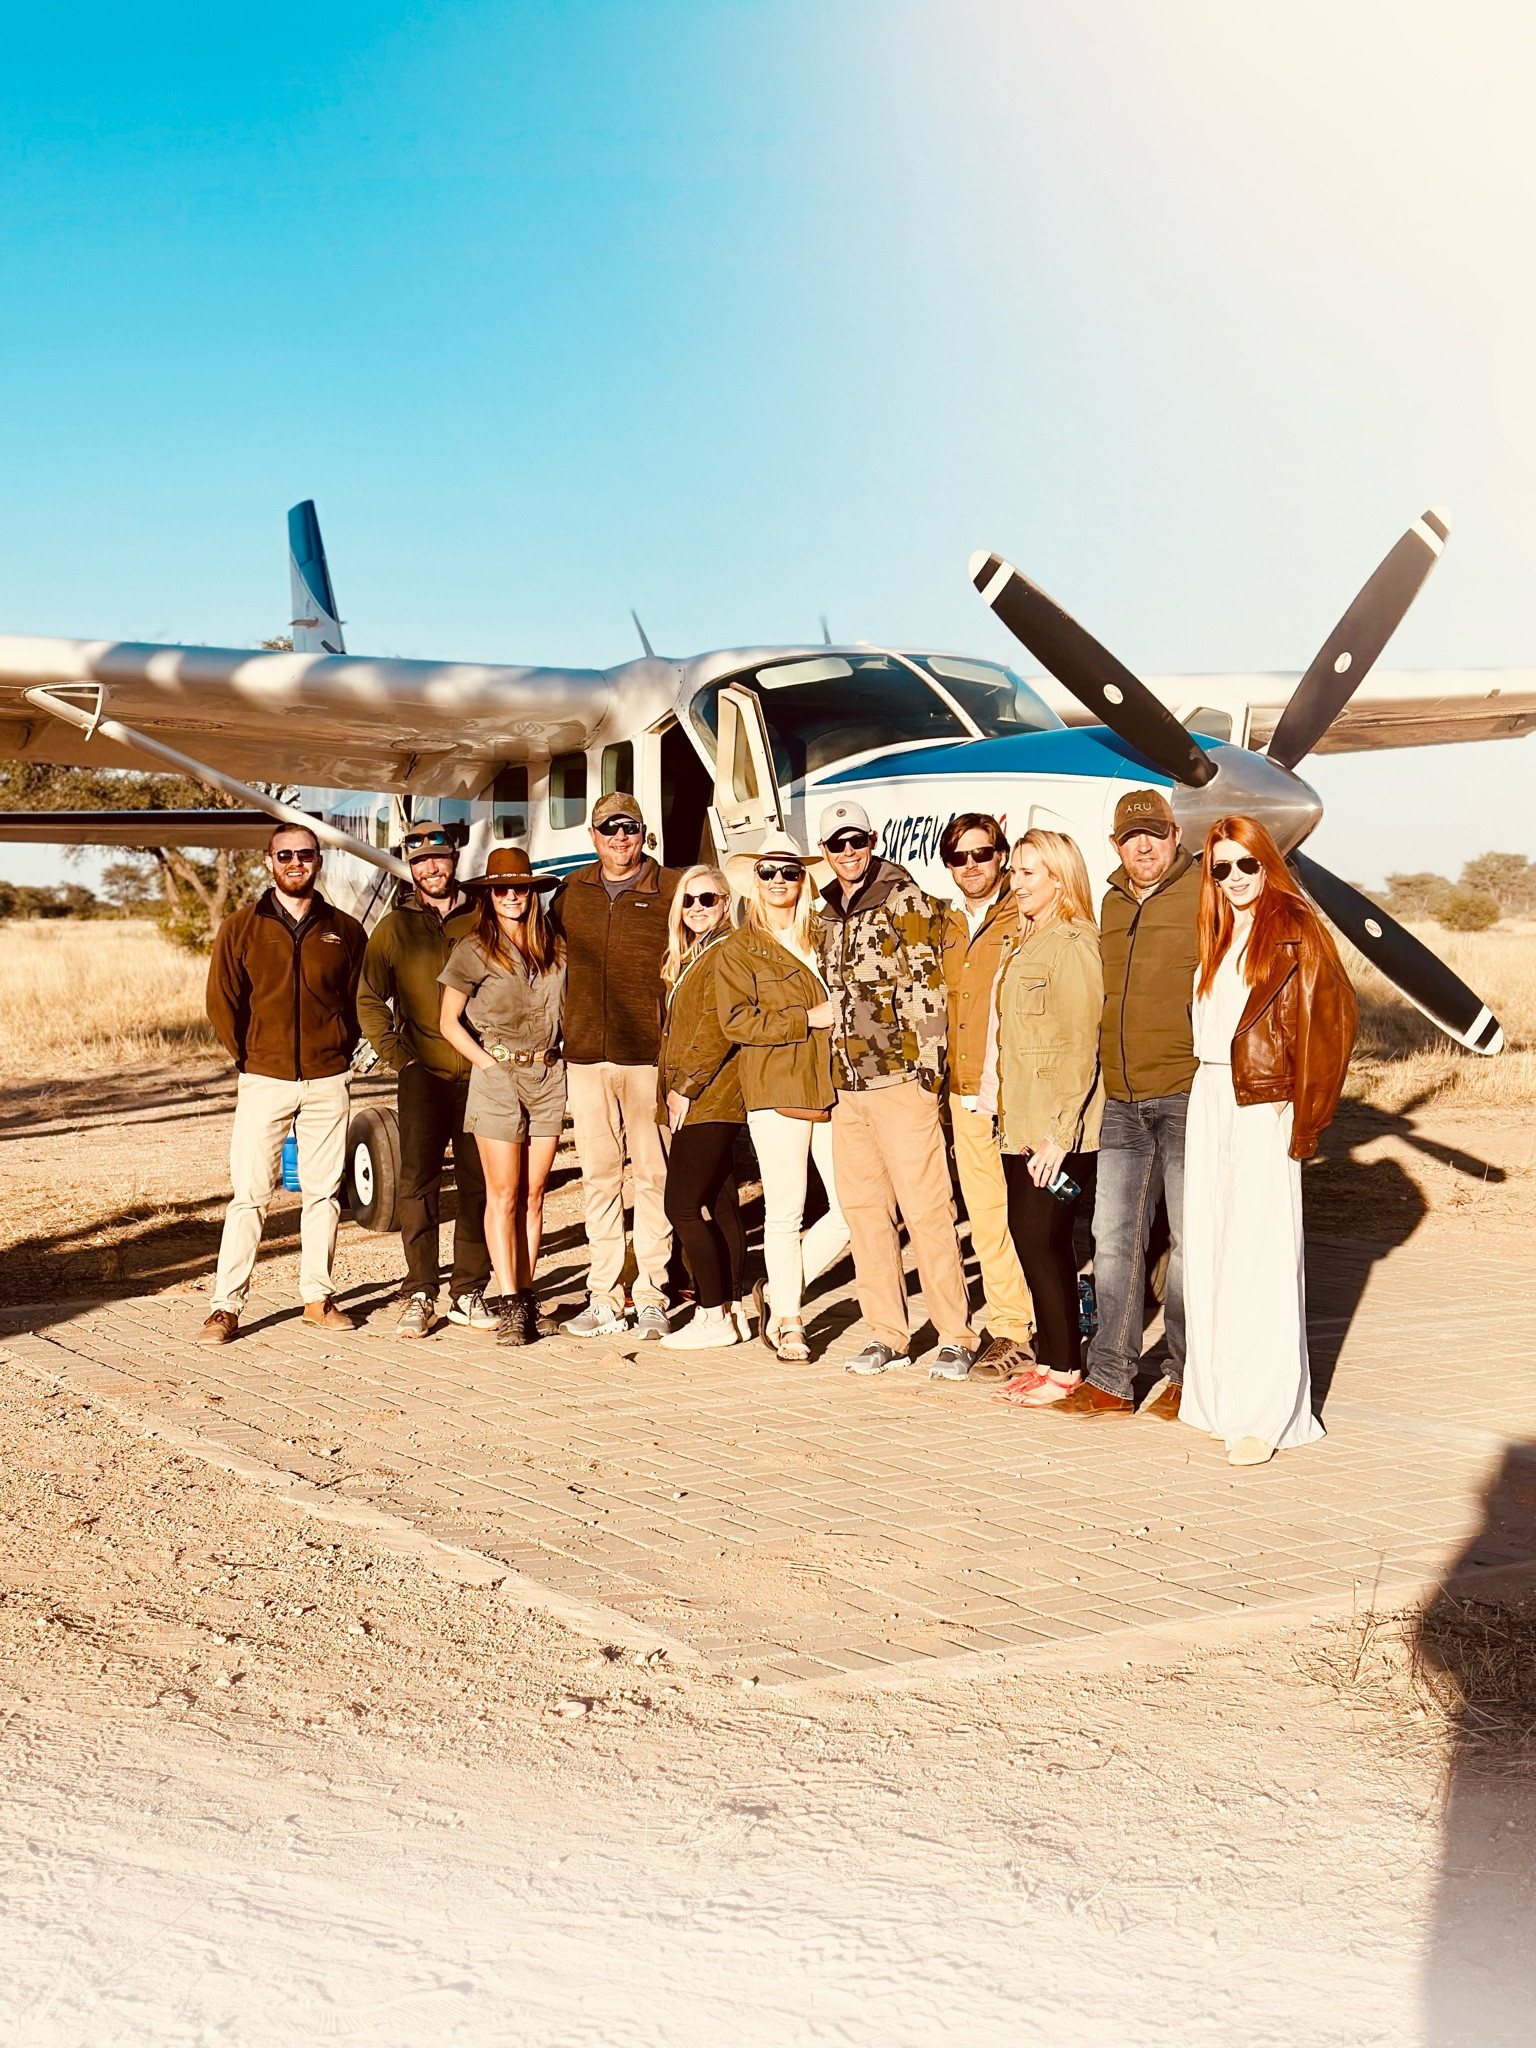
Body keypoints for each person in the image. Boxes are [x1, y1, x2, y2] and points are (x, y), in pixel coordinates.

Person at [1181, 816, 1356, 1466]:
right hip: (1211, 1097)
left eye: (1245, 865)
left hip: (1264, 1104)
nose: (1233, 879)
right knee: (1211, 1248)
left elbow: (1334, 1023)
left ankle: (1264, 1414)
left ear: (1267, 863)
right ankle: (1217, 1398)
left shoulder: (1295, 930)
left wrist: (1306, 1116)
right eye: (1220, 868)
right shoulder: (1220, 933)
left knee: (1259, 1257)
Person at [815, 799, 978, 1380]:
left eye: (857, 840)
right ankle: (887, 1331)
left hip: (900, 1081)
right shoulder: (826, 910)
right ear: (826, 850)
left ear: (873, 839)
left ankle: (956, 1334)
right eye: (837, 844)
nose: (849, 852)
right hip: (845, 1086)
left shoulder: (904, 898)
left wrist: (925, 1075)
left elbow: (927, 984)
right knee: (864, 1213)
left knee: (928, 1209)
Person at [198, 823, 367, 1344]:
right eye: (285, 854)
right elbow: (221, 1002)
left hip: (326, 1078)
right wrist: (250, 1058)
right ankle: (226, 1307)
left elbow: (358, 999)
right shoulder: (240, 927)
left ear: (319, 861)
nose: (296, 863)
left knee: (322, 1194)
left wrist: (339, 1052)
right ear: (269, 861)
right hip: (264, 1078)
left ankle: (317, 1297)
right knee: (249, 1195)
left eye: (306, 855)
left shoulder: (344, 929)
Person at [1081, 787, 1202, 1421]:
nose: (1144, 846)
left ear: (1176, 835)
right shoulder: (1109, 901)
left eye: (1154, 834)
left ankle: (1187, 1376)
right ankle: (1109, 1379)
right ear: (1117, 846)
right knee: (1112, 1237)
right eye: (1132, 837)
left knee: (1188, 1242)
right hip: (1122, 1098)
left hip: (1185, 1093)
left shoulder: (1207, 893)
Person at [550, 792, 684, 1339]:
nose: (619, 839)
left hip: (648, 1060)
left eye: (629, 828)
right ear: (593, 836)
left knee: (654, 1177)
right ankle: (605, 1293)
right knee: (600, 1179)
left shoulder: (673, 889)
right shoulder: (570, 894)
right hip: (585, 1058)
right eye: (609, 829)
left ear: (643, 833)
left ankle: (652, 1289)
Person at [980, 829, 1105, 1408]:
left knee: (1041, 1238)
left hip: (1057, 1130)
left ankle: (1065, 1370)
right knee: (1036, 1243)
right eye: (1018, 871)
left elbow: (1081, 1045)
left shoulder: (1074, 944)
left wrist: (1058, 1135)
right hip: (1020, 1121)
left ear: (1060, 879)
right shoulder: (1023, 941)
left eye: (1032, 873)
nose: (1019, 882)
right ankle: (1057, 1360)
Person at [357, 822, 494, 1339]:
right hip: (424, 1075)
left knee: (480, 1183)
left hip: (482, 1073)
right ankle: (419, 1290)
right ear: (409, 869)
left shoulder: (484, 917)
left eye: (439, 859)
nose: (431, 869)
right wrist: (400, 1058)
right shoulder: (394, 929)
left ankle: (469, 1290)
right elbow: (369, 999)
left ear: (454, 860)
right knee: (418, 1184)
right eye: (420, 863)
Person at [716, 831, 847, 1363]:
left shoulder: (827, 935)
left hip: (835, 1085)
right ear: (754, 880)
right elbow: (735, 1021)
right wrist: (807, 1018)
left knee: (854, 1210)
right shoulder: (738, 949)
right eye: (767, 872)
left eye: (788, 871)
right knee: (785, 1209)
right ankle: (790, 1319)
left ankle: (772, 1293)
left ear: (803, 878)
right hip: (775, 1086)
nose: (777, 881)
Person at [437, 848, 565, 1346]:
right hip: (498, 1079)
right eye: (501, 889)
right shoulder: (473, 949)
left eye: (521, 888)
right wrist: (488, 1065)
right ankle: (509, 1300)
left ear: (533, 893)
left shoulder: (555, 946)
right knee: (504, 1195)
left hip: (548, 1076)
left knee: (534, 1196)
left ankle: (528, 1294)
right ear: (488, 896)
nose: (511, 896)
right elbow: (448, 1022)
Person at [939, 812, 1037, 1380]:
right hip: (965, 1089)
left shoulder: (1023, 913)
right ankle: (1010, 1326)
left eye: (982, 854)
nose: (971, 866)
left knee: (1035, 1214)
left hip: (1020, 1090)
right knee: (986, 1215)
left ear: (1001, 855)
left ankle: (1048, 1317)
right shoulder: (945, 923)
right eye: (959, 857)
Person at [655, 865, 749, 1350]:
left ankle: (712, 1315)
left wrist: (684, 1088)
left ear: (725, 901)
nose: (696, 909)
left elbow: (717, 1025)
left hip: (710, 1096)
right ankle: (732, 1309)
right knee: (719, 1200)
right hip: (705, 1095)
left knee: (682, 1206)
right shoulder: (695, 954)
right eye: (688, 900)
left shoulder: (725, 951)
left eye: (707, 899)